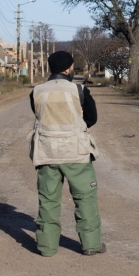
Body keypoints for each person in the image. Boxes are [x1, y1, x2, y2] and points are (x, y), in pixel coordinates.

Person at [28, 51, 105, 257]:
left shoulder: (36, 91)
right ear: (68, 68)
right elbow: (92, 118)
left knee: (48, 200)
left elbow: (38, 114)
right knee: (85, 199)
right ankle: (91, 245)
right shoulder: (79, 90)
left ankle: (46, 247)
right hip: (76, 154)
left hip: (46, 153)